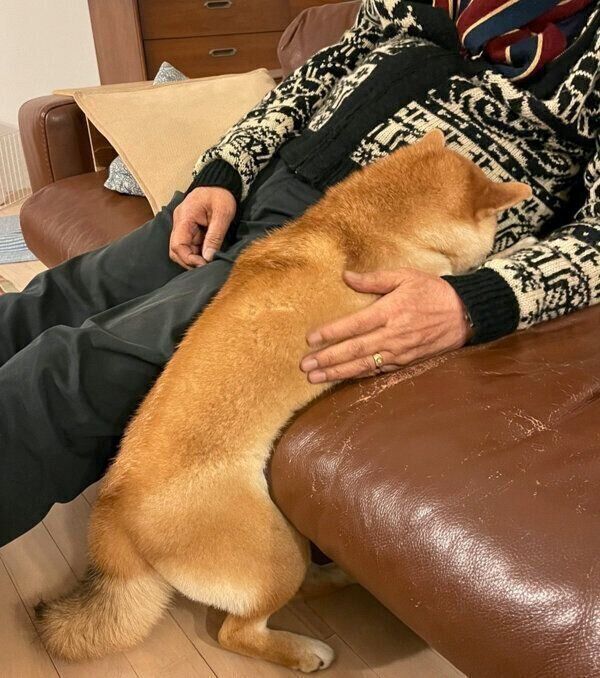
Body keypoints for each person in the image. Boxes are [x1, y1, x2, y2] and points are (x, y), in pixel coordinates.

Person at [0, 0, 598, 546]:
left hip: (361, 254)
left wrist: (476, 301)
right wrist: (224, 171)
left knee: (74, 373)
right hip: (264, 191)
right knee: (50, 300)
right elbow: (314, 75)